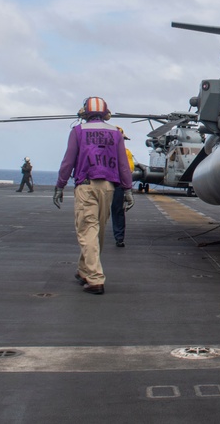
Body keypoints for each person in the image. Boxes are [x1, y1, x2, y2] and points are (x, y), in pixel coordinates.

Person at [53, 97, 133, 295]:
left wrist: (60, 185)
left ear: (85, 113)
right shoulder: (116, 132)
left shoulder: (78, 131)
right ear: (105, 113)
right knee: (97, 231)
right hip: (108, 188)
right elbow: (123, 164)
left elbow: (68, 161)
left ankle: (95, 279)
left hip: (86, 186)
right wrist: (128, 189)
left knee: (87, 230)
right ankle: (83, 271)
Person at [110, 128, 136, 247]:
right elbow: (128, 170)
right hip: (118, 185)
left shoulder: (103, 151)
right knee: (118, 211)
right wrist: (128, 190)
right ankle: (119, 237)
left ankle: (94, 236)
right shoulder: (126, 152)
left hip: (103, 184)